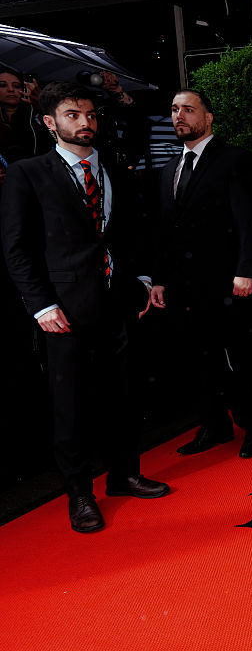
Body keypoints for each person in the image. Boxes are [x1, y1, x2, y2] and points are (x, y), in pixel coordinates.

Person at [0, 81, 169, 533]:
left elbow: (134, 230)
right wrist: (40, 305)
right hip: (62, 310)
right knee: (70, 405)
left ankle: (123, 474)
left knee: (122, 394)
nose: (85, 122)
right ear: (49, 121)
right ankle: (79, 494)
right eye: (73, 114)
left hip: (116, 301)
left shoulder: (113, 165)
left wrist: (144, 280)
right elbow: (16, 249)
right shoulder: (27, 173)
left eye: (91, 115)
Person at [149, 89, 252, 459]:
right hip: (184, 287)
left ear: (209, 117)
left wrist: (246, 270)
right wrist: (158, 279)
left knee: (242, 355)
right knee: (200, 359)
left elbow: (249, 219)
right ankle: (215, 425)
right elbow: (163, 230)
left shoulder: (235, 159)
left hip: (228, 281)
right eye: (174, 110)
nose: (179, 116)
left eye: (188, 109)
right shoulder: (168, 169)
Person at [0, 69, 49, 172]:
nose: (11, 90)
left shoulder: (36, 117)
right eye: (3, 85)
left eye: (16, 86)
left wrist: (44, 109)